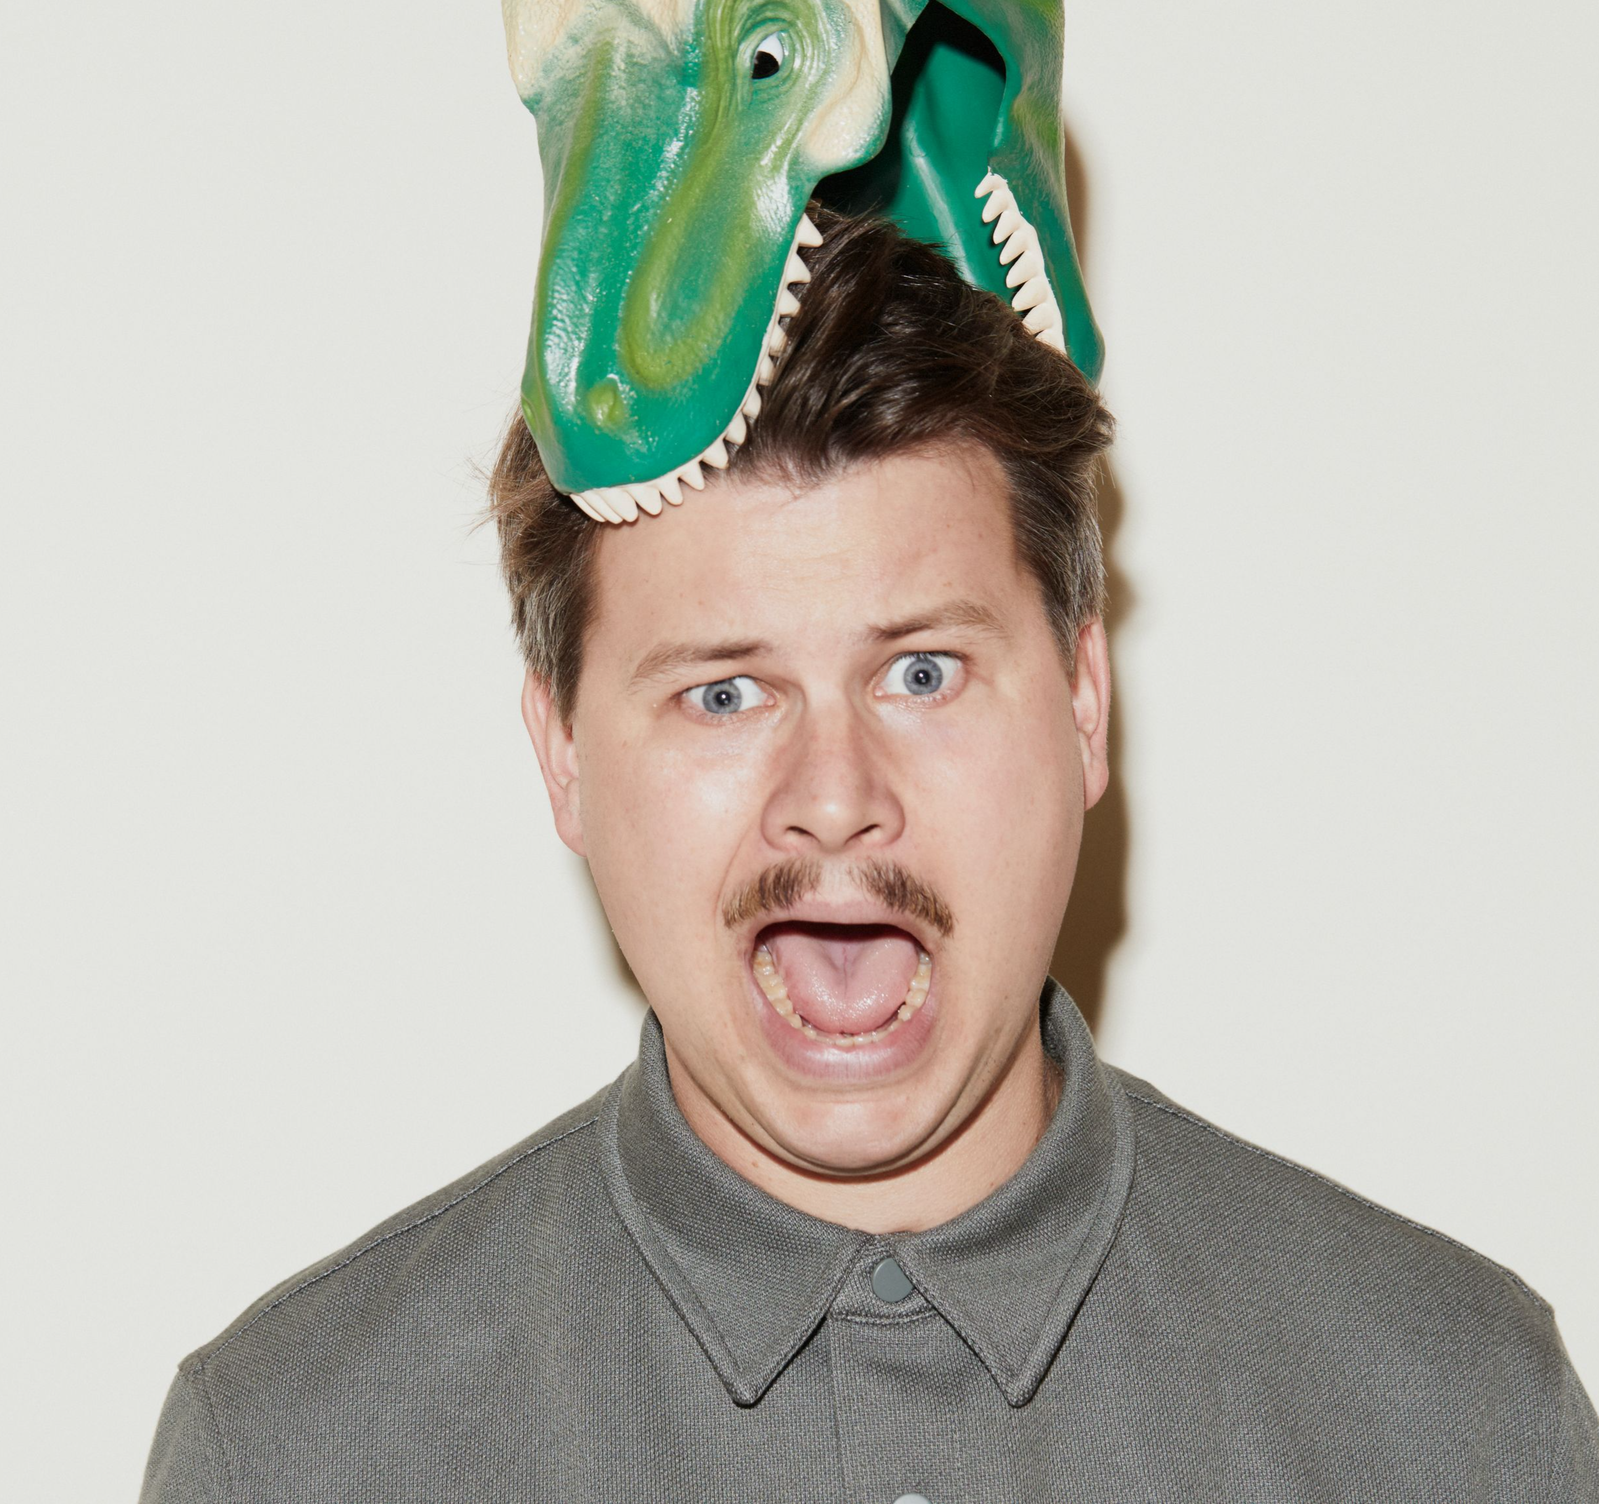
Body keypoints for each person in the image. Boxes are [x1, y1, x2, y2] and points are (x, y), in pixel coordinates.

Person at [138, 207, 1598, 1502]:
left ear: (1084, 705)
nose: (833, 801)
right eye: (724, 693)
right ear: (563, 753)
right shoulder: (293, 1452)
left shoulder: (1461, 1419)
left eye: (921, 674)